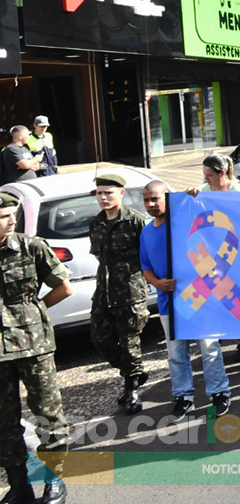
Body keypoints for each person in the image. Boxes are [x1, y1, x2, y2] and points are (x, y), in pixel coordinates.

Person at [0, 189, 72, 504]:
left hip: (33, 347)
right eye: (3, 216)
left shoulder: (31, 247)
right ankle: (19, 486)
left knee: (47, 414)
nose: (10, 220)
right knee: (4, 421)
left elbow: (64, 287)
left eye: (11, 214)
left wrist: (34, 311)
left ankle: (54, 481)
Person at [139, 181, 232, 422]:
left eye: (156, 199)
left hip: (200, 297)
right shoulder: (146, 232)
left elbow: (206, 218)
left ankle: (219, 393)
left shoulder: (183, 222)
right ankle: (183, 397)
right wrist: (157, 284)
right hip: (168, 302)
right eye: (146, 200)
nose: (150, 204)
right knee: (176, 353)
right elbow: (145, 267)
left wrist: (191, 197)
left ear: (167, 198)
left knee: (209, 348)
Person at [88, 173, 151, 414]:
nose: (103, 198)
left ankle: (131, 390)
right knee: (100, 338)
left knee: (129, 342)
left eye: (108, 193)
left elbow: (146, 254)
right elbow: (98, 256)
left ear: (121, 193)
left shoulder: (135, 221)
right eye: (99, 193)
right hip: (103, 291)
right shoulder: (95, 222)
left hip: (130, 291)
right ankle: (134, 374)